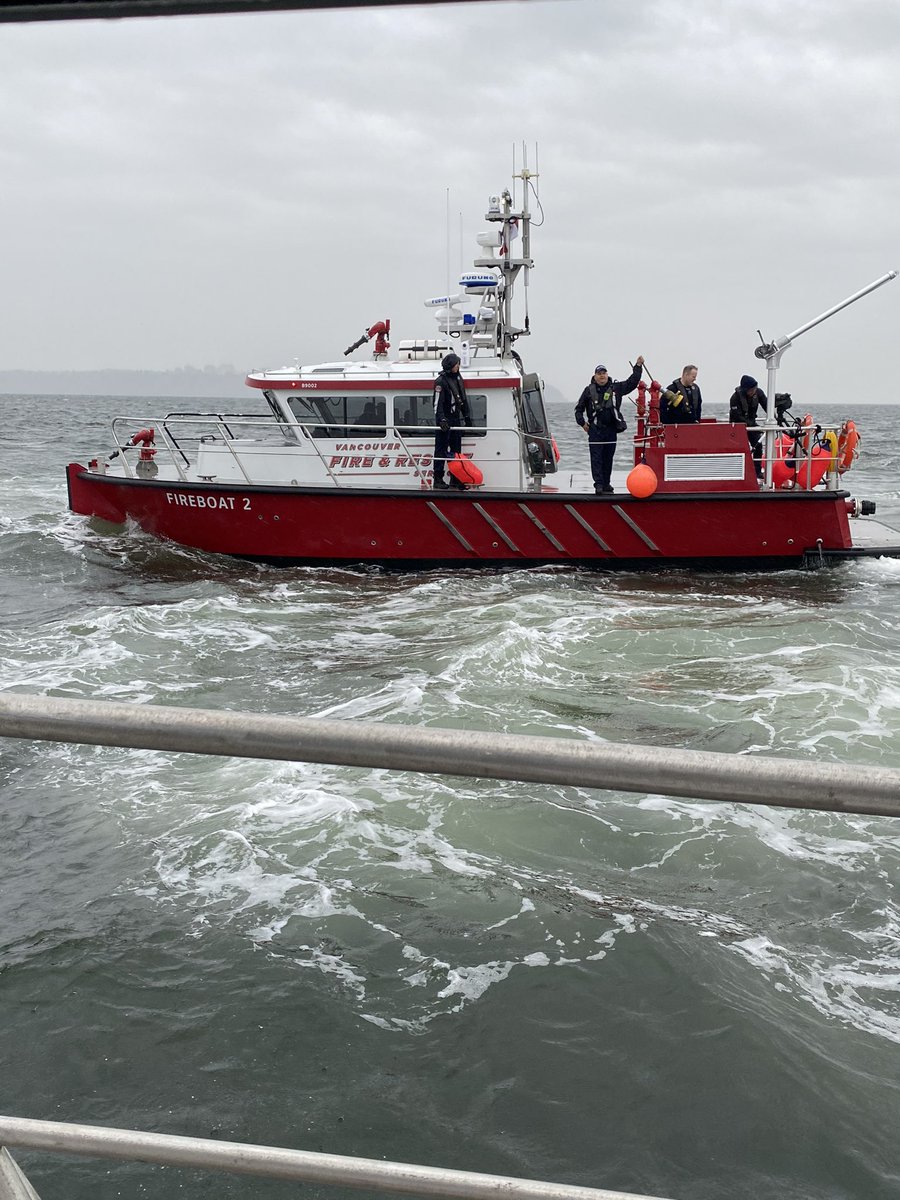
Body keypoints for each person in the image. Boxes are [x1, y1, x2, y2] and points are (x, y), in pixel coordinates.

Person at [574, 358, 643, 493]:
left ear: (607, 374)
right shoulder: (588, 390)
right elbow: (578, 409)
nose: (602, 376)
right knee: (596, 458)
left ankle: (606, 483)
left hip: (611, 429)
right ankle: (598, 484)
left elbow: (632, 382)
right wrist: (582, 423)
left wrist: (638, 366)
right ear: (595, 376)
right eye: (599, 373)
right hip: (595, 430)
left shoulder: (616, 388)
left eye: (604, 373)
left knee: (608, 458)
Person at [432, 352, 472, 489]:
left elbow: (462, 398)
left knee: (456, 450)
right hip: (445, 419)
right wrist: (442, 419)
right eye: (456, 364)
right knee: (441, 450)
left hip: (455, 419)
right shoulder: (440, 381)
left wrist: (467, 417)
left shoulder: (458, 378)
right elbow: (437, 403)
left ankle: (455, 478)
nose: (458, 366)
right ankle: (438, 479)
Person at [729, 374, 768, 478]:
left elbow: (767, 406)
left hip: (752, 424)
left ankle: (757, 471)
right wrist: (753, 425)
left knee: (758, 445)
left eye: (755, 389)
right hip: (738, 426)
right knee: (740, 448)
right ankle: (737, 472)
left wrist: (774, 417)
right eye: (751, 390)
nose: (753, 391)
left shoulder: (758, 393)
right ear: (745, 390)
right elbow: (737, 417)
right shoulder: (735, 398)